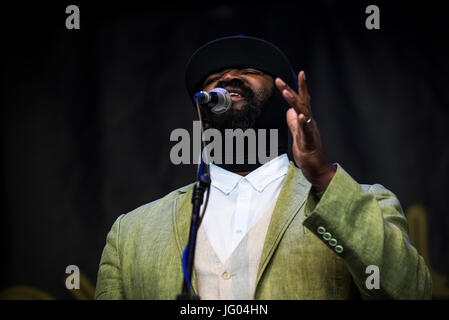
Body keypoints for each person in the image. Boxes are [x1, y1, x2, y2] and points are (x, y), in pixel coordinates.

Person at [94, 35, 432, 299]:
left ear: (285, 97)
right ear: (200, 108)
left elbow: (410, 292)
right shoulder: (131, 233)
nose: (227, 78)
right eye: (214, 77)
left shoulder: (366, 203)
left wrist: (325, 180)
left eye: (249, 71)